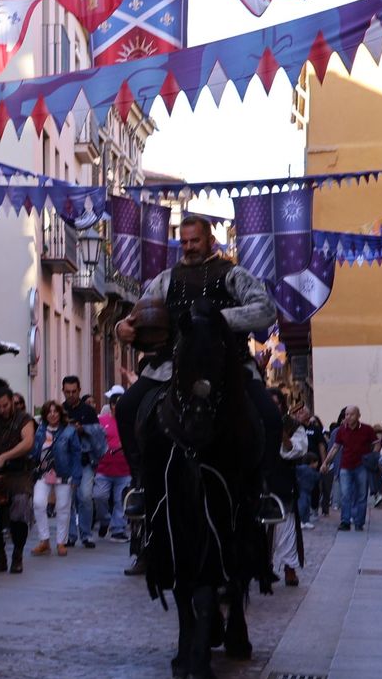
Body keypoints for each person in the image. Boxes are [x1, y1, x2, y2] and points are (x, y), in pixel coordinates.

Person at [114, 215, 281, 522]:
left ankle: (264, 490)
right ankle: (139, 484)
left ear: (210, 242)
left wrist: (216, 320)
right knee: (126, 408)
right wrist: (121, 327)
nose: (189, 247)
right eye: (185, 242)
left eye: (195, 241)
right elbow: (138, 316)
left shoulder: (233, 274)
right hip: (171, 365)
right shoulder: (166, 279)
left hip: (228, 364)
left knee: (270, 417)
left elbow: (265, 310)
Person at [0, 378, 36, 573]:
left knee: (19, 510)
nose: (3, 409)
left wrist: (5, 456)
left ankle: (17, 555)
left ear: (12, 400)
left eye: (5, 405)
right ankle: (0, 556)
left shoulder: (24, 419)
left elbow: (28, 442)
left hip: (18, 473)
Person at [29, 401, 80, 557]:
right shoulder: (39, 432)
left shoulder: (70, 431)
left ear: (60, 413)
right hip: (43, 473)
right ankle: (44, 540)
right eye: (49, 412)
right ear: (45, 415)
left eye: (55, 411)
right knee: (38, 503)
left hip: (63, 473)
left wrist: (76, 476)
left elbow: (76, 454)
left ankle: (60, 542)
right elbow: (34, 452)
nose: (52, 414)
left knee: (63, 507)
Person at [61, 375, 103, 549]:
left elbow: (99, 435)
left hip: (85, 460)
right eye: (67, 392)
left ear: (79, 390)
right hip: (66, 461)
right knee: (67, 500)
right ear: (63, 391)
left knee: (85, 496)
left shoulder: (88, 411)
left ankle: (86, 534)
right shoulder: (59, 410)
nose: (70, 395)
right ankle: (70, 536)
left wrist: (82, 429)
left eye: (74, 391)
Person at [272, 415, 308, 587]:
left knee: (286, 526)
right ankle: (263, 567)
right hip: (260, 481)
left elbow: (295, 451)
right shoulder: (254, 418)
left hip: (283, 481)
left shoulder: (293, 426)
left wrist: (283, 435)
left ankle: (289, 568)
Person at [330, 406, 378, 531]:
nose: (348, 417)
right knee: (345, 495)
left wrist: (372, 457)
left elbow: (376, 443)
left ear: (358, 415)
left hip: (362, 466)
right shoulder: (341, 430)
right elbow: (335, 447)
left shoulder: (367, 429)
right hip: (345, 466)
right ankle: (345, 521)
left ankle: (359, 522)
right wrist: (326, 462)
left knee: (361, 495)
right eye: (346, 414)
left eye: (351, 414)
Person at [94, 385, 131, 542]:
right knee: (99, 496)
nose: (117, 408)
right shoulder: (101, 421)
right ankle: (105, 520)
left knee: (120, 501)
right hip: (103, 469)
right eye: (114, 404)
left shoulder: (131, 422)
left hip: (124, 470)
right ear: (110, 406)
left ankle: (118, 529)